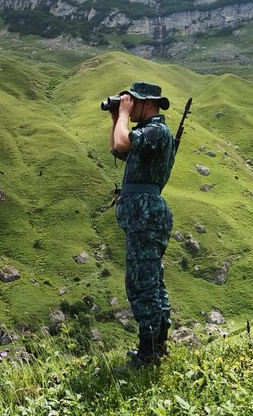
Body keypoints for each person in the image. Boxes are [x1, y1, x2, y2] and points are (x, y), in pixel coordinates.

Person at [109, 81, 175, 368]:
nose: (129, 104)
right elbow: (118, 149)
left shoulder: (156, 130)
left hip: (145, 215)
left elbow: (122, 142)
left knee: (141, 284)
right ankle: (157, 346)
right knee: (152, 280)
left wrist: (124, 114)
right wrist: (117, 116)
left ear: (148, 103)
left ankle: (148, 355)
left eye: (133, 100)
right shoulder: (146, 133)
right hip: (144, 215)